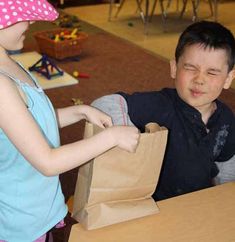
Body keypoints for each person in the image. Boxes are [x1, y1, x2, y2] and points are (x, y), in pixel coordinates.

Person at [0, 1, 139, 241]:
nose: (32, 21)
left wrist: (80, 112)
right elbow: (47, 162)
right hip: (22, 227)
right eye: (24, 15)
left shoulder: (11, 63)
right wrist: (112, 137)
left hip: (38, 211)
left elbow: (32, 124)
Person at [91, 20, 235, 202]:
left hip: (198, 206)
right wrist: (125, 130)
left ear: (228, 78)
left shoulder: (226, 118)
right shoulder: (160, 105)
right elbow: (103, 103)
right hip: (154, 207)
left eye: (212, 73)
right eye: (190, 68)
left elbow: (226, 166)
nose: (200, 79)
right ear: (174, 68)